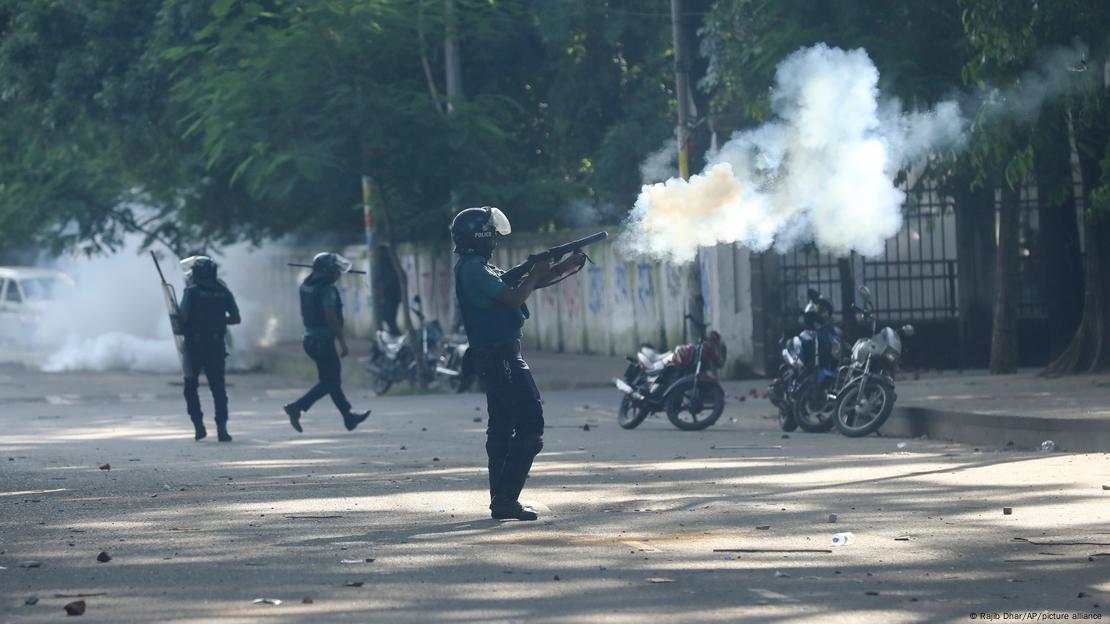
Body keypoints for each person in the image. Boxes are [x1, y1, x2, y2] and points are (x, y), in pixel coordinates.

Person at [451, 206, 585, 521]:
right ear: (481, 236)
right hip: (501, 357)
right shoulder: (473, 269)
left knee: (501, 428)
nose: (495, 239)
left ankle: (501, 499)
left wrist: (562, 267)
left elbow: (524, 287)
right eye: (491, 234)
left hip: (497, 356)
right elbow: (514, 298)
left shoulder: (478, 267)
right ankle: (506, 499)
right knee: (530, 426)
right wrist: (536, 272)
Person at [283, 252, 371, 433]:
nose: (338, 273)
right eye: (335, 269)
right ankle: (296, 407)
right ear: (328, 271)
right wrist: (342, 341)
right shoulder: (327, 289)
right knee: (331, 382)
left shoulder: (307, 284)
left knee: (330, 380)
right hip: (323, 341)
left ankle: (348, 417)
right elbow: (330, 316)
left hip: (309, 340)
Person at [178, 256, 240, 442]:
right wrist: (218, 320)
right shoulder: (224, 292)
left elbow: (183, 316)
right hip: (216, 346)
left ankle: (198, 426)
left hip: (193, 346)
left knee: (190, 386)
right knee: (218, 388)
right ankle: (222, 428)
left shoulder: (191, 292)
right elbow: (236, 318)